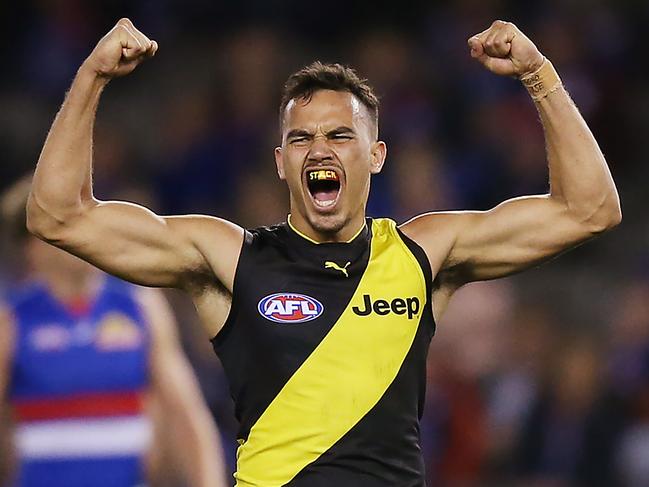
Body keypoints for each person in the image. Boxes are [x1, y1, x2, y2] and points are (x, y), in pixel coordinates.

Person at [25, 17, 621, 487]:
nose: (319, 149)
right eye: (301, 138)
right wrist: (92, 77)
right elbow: (57, 215)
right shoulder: (230, 258)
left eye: (340, 135)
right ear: (280, 161)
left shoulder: (423, 254)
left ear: (376, 155)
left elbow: (591, 209)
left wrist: (539, 74)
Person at [0, 178, 227, 487]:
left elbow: (185, 414)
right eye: (68, 222)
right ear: (35, 242)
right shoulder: (11, 321)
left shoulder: (140, 307)